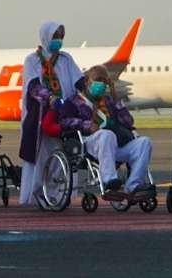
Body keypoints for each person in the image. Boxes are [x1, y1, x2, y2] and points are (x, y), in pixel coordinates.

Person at [60, 65, 155, 201]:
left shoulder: (110, 102)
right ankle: (110, 181)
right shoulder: (73, 102)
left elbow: (128, 122)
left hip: (114, 145)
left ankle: (133, 186)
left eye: (105, 81)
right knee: (106, 135)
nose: (102, 84)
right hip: (89, 143)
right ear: (87, 81)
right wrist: (86, 124)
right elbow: (64, 121)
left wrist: (116, 97)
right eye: (98, 80)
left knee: (145, 142)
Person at [19, 21, 86, 206]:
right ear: (45, 37)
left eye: (61, 37)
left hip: (64, 114)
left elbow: (79, 81)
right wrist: (50, 99)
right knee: (40, 158)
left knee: (64, 154)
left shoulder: (66, 59)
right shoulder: (32, 60)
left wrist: (92, 92)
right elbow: (33, 86)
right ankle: (36, 194)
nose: (58, 41)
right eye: (55, 36)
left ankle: (58, 193)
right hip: (41, 116)